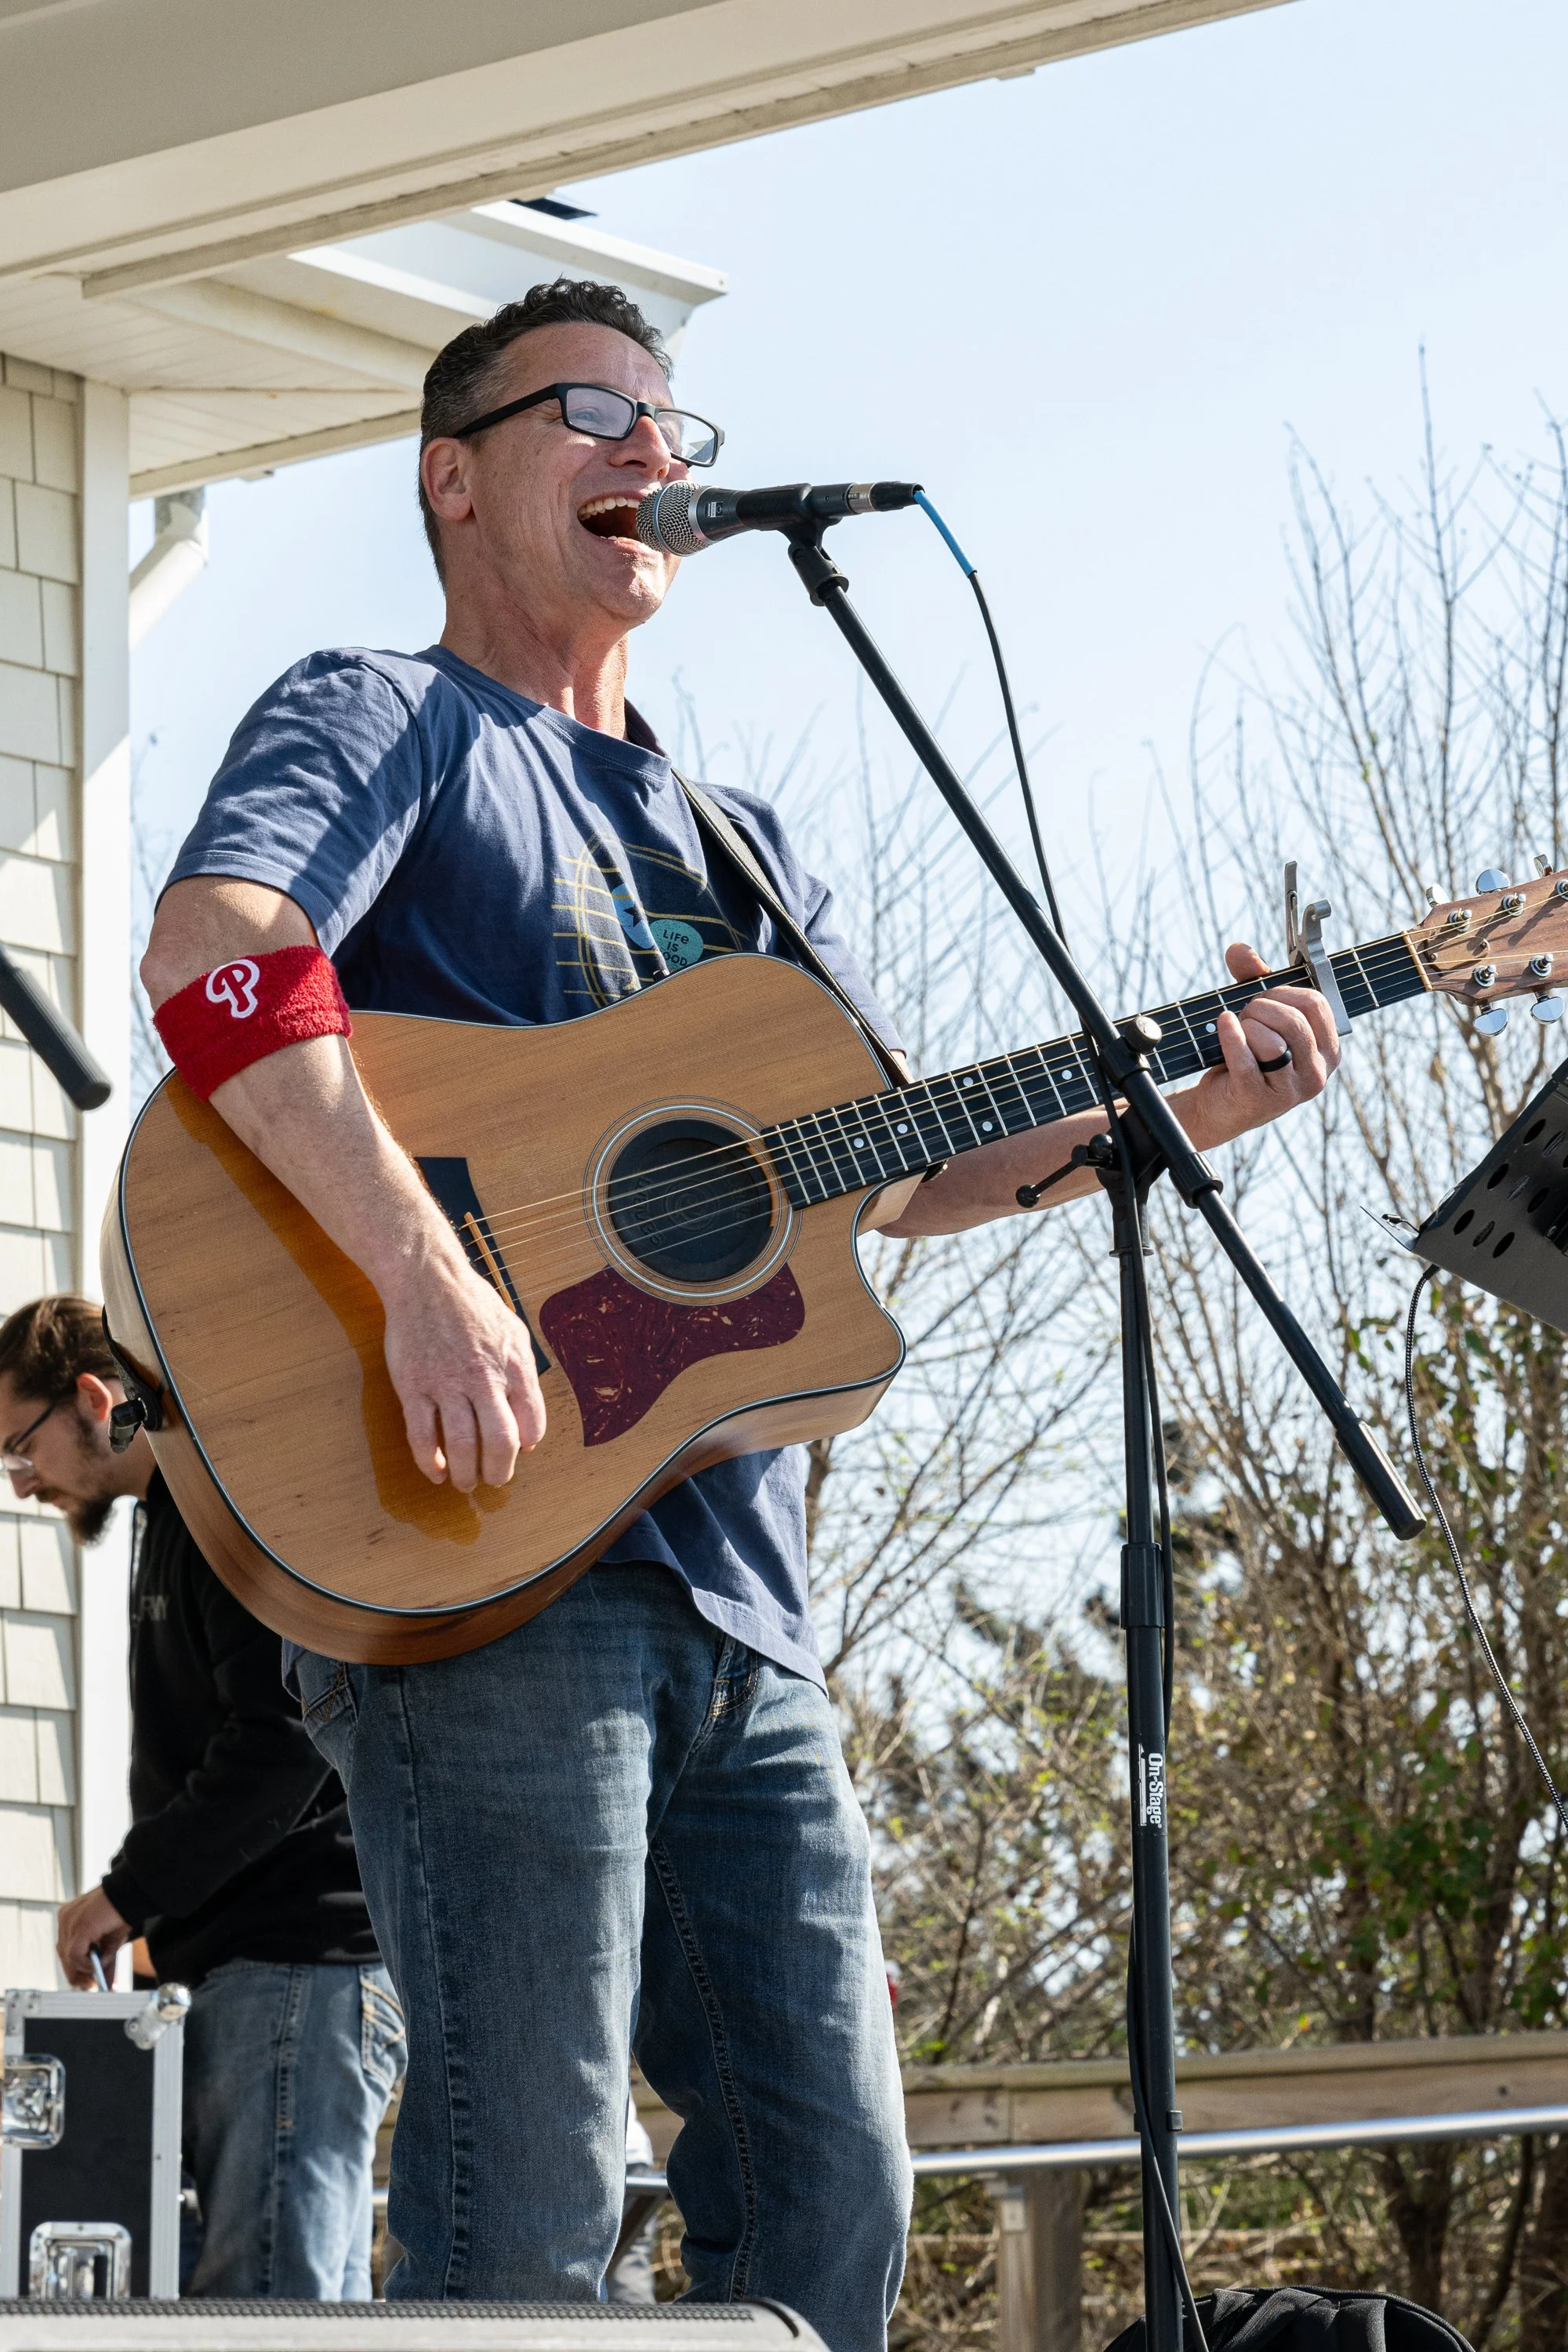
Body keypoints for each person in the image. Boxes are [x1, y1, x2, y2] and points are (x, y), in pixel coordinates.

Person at [137, 276, 1341, 2344]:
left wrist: (1171, 1109)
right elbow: (219, 952)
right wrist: (426, 1274)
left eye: (671, 427)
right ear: (452, 477)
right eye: (589, 412)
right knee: (512, 2217)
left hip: (744, 1603)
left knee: (827, 2201)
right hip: (490, 1560)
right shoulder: (388, 719)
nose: (654, 457)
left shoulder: (738, 843)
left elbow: (889, 1170)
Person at [0, 1294, 406, 2299]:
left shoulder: (229, 1505)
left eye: (18, 1447)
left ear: (93, 1398)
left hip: (299, 1967)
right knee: (287, 2302)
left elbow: (282, 1744)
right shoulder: (168, 1521)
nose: (18, 1484)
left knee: (273, 2310)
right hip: (262, 1976)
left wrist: (128, 1894)